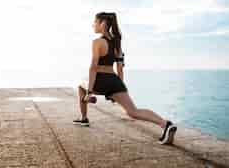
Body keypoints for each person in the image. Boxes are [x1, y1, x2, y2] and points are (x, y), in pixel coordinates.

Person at [73, 12, 177, 145]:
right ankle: (165, 124)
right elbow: (120, 68)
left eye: (95, 22)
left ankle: (84, 118)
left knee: (80, 84)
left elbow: (93, 67)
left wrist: (90, 92)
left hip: (100, 80)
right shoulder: (117, 43)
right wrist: (117, 89)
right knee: (133, 112)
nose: (93, 25)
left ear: (103, 24)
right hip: (115, 81)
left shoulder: (97, 42)